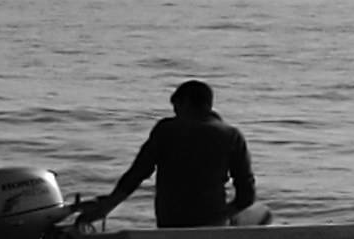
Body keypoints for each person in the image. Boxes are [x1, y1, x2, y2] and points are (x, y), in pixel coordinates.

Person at [79, 79, 256, 229]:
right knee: (257, 214)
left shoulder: (167, 130)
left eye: (176, 108)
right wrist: (220, 216)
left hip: (170, 221)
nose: (176, 114)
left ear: (185, 103)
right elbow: (247, 195)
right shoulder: (232, 135)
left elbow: (138, 173)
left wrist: (108, 206)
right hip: (212, 224)